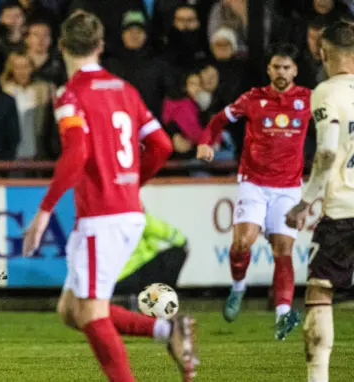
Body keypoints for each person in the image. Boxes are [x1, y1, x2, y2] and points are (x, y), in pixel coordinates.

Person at [22, 11, 196, 382]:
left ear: (63, 46)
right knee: (71, 311)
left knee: (91, 314)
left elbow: (75, 154)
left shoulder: (69, 95)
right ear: (100, 46)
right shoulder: (124, 90)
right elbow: (161, 144)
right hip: (124, 211)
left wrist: (44, 212)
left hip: (102, 217)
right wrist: (132, 184)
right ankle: (167, 330)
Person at [196, 43, 312, 339]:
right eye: (277, 67)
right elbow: (218, 119)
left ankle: (283, 315)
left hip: (288, 187)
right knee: (242, 243)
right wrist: (206, 141)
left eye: (287, 67)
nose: (282, 72)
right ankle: (238, 288)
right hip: (254, 183)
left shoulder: (308, 99)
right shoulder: (253, 98)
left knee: (283, 249)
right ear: (269, 69)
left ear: (295, 70)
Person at [284, 20, 354, 382]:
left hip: (343, 211)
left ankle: (318, 377)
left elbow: (326, 152)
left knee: (320, 292)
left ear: (324, 53)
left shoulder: (327, 92)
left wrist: (304, 202)